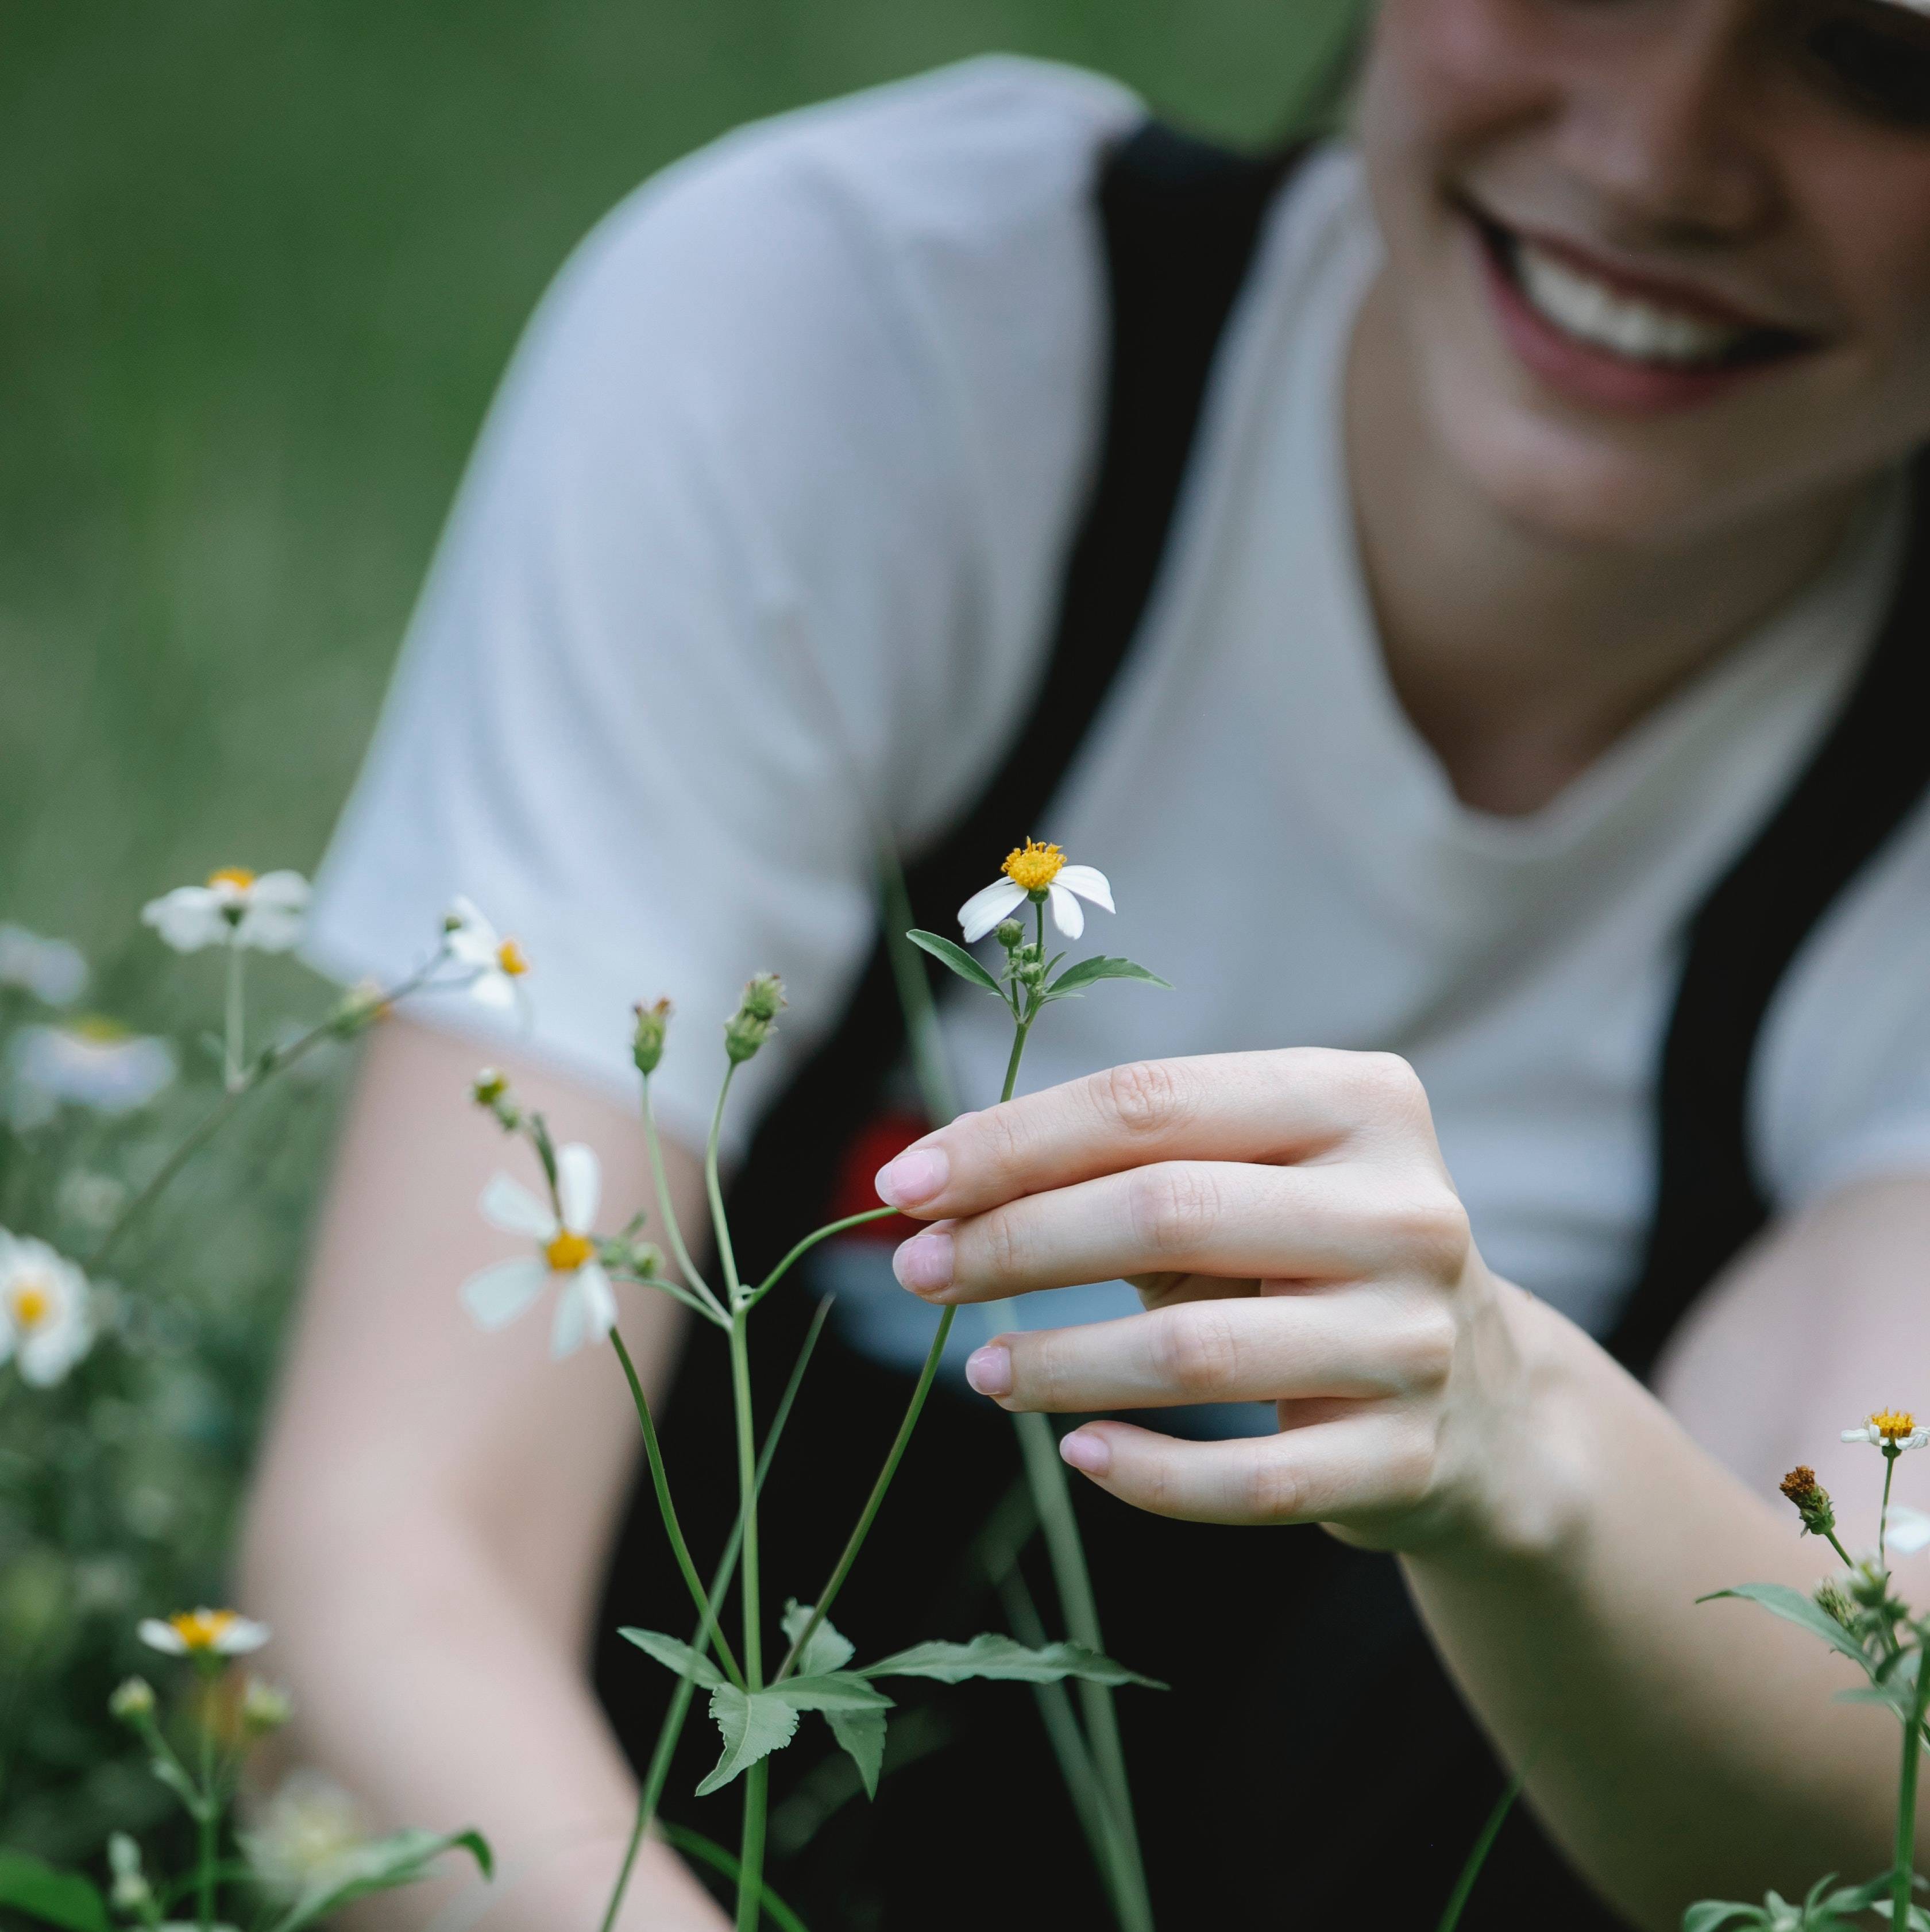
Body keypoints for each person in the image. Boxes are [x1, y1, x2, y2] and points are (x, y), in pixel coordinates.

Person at [241, 0, 1930, 1924]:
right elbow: (383, 1579)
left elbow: (1867, 1790)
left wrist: (1525, 1452)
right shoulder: (876, 339)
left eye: (1878, 63)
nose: (1654, 160)